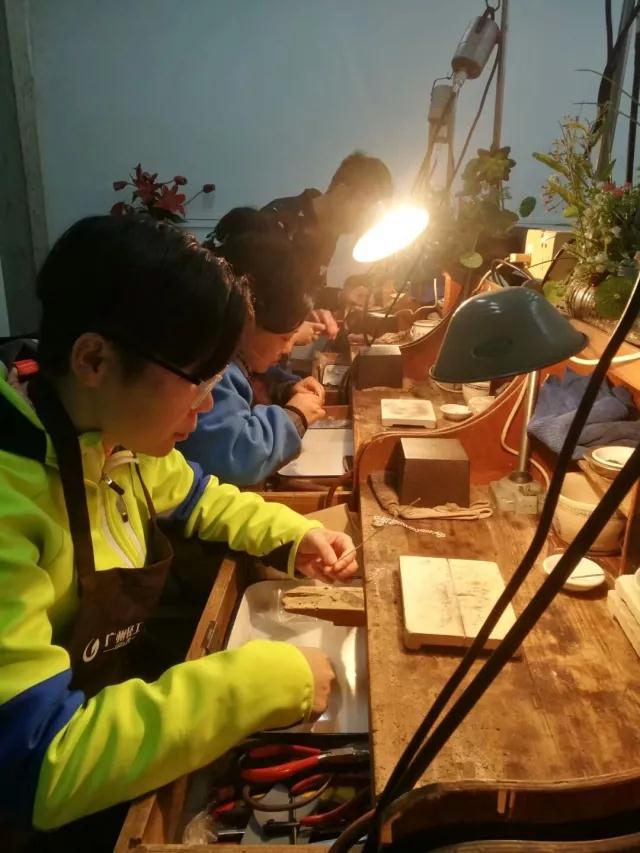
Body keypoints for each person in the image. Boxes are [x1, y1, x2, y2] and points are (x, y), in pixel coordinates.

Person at [0, 216, 357, 847]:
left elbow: (200, 498)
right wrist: (262, 682)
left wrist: (293, 535)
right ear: (93, 359)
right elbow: (41, 767)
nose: (207, 407)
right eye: (199, 383)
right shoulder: (10, 502)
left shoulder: (114, 440)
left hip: (106, 733)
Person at [183, 216, 326, 485]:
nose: (287, 349)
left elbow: (257, 373)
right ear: (246, 320)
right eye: (285, 337)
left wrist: (287, 388)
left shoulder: (236, 357)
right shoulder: (214, 369)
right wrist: (295, 417)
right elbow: (235, 457)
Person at [261, 150, 393, 335]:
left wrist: (342, 296)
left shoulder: (328, 231)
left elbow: (306, 291)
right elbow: (253, 302)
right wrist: (293, 330)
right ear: (341, 192)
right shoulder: (279, 220)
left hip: (279, 345)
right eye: (362, 210)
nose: (362, 221)